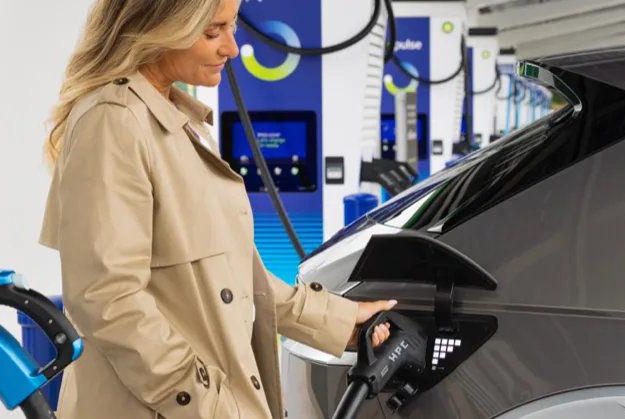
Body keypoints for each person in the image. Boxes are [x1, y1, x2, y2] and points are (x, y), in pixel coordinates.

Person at [38, 1, 396, 418]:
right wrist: (209, 405)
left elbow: (237, 278)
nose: (232, 47)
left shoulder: (180, 122)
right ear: (159, 25)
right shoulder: (113, 123)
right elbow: (108, 300)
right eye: (212, 32)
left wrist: (341, 320)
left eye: (232, 28)